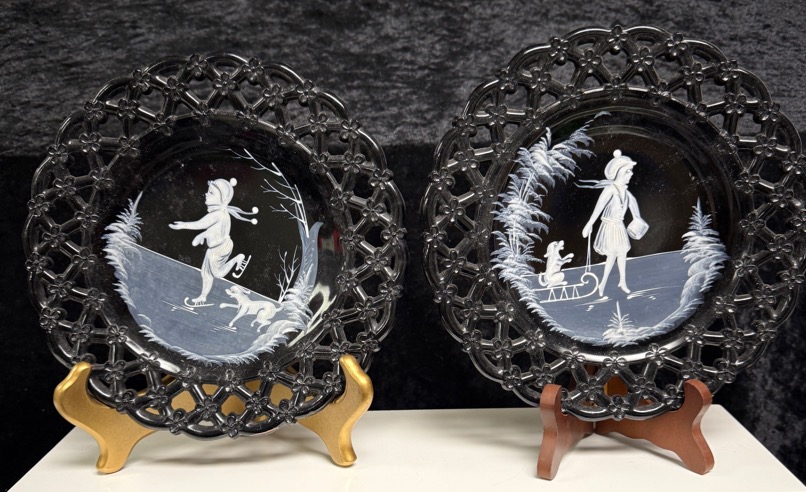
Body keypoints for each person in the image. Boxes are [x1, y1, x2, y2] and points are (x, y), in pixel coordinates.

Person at [169, 178, 258, 305]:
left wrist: (183, 225)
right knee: (206, 274)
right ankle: (203, 296)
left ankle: (237, 259)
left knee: (217, 273)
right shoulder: (221, 213)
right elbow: (215, 230)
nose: (206, 194)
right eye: (208, 191)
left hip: (219, 248)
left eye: (211, 192)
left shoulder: (218, 214)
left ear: (223, 199)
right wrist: (203, 235)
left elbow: (200, 224)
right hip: (216, 248)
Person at [579, 150, 644, 296]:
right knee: (612, 255)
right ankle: (602, 284)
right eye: (628, 171)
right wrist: (589, 224)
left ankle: (622, 281)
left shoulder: (626, 193)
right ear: (619, 172)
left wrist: (638, 220)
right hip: (609, 226)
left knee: (622, 253)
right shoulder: (609, 190)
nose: (631, 174)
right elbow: (598, 208)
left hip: (619, 226)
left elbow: (635, 211)